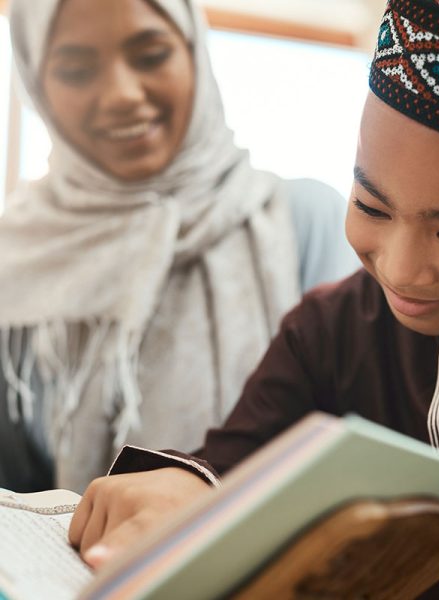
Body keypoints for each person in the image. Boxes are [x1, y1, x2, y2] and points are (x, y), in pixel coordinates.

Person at [69, 0, 439, 596]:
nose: (399, 271)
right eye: (370, 207)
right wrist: (192, 488)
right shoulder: (326, 333)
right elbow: (232, 465)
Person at [0, 0, 358, 494]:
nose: (122, 95)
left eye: (150, 56)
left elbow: (345, 451)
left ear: (194, 52)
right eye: (77, 70)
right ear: (36, 82)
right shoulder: (16, 257)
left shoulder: (301, 221)